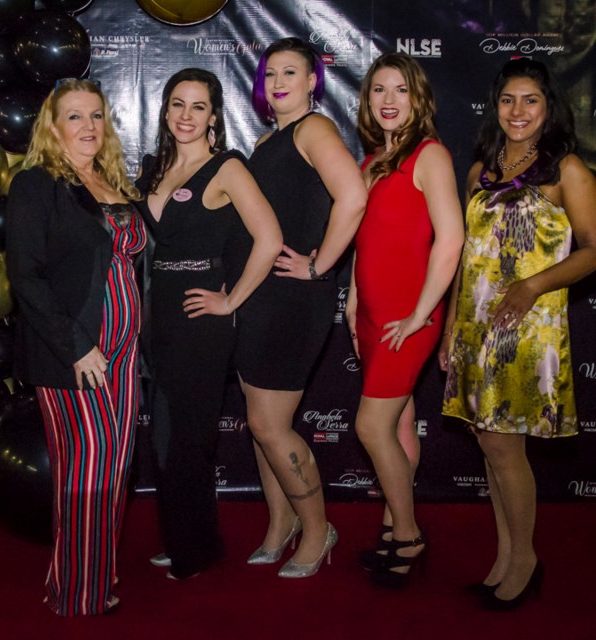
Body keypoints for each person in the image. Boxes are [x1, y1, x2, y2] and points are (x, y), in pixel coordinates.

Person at [440, 58, 596, 610]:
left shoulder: (568, 171)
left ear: (548, 107)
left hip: (526, 327)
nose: (518, 111)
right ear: (496, 107)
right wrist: (449, 333)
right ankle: (507, 555)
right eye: (508, 100)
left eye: (530, 100)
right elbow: (467, 259)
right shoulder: (479, 171)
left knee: (505, 448)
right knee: (491, 445)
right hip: (475, 324)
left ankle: (525, 560)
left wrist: (533, 286)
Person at [5, 78, 146, 616]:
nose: (88, 127)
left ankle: (96, 571)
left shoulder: (110, 179)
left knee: (114, 468)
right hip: (76, 352)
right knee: (87, 472)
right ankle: (76, 594)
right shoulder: (36, 184)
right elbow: (26, 276)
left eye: (96, 116)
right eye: (75, 117)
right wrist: (76, 345)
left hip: (125, 351)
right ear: (52, 126)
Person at [135, 68, 282, 580]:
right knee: (164, 437)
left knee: (190, 439)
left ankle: (192, 551)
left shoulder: (227, 168)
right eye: (178, 104)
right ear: (165, 110)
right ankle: (186, 535)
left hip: (201, 318)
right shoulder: (153, 169)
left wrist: (231, 301)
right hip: (156, 318)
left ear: (214, 115)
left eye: (198, 106)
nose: (186, 115)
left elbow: (269, 238)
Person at [237, 37, 367, 578]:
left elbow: (354, 196)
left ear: (314, 81)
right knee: (261, 420)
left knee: (270, 425)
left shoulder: (313, 129)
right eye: (271, 74)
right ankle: (280, 523)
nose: (279, 82)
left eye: (291, 73)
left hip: (295, 296)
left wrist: (320, 265)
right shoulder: (270, 138)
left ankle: (318, 529)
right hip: (261, 293)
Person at [346, 53, 464, 588]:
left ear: (418, 99)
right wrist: (351, 300)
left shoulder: (430, 154)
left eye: (400, 90)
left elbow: (451, 238)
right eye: (378, 91)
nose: (388, 101)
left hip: (410, 318)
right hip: (372, 316)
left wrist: (420, 314)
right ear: (367, 99)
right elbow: (363, 242)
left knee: (370, 426)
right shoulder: (371, 161)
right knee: (396, 425)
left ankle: (410, 534)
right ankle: (394, 527)